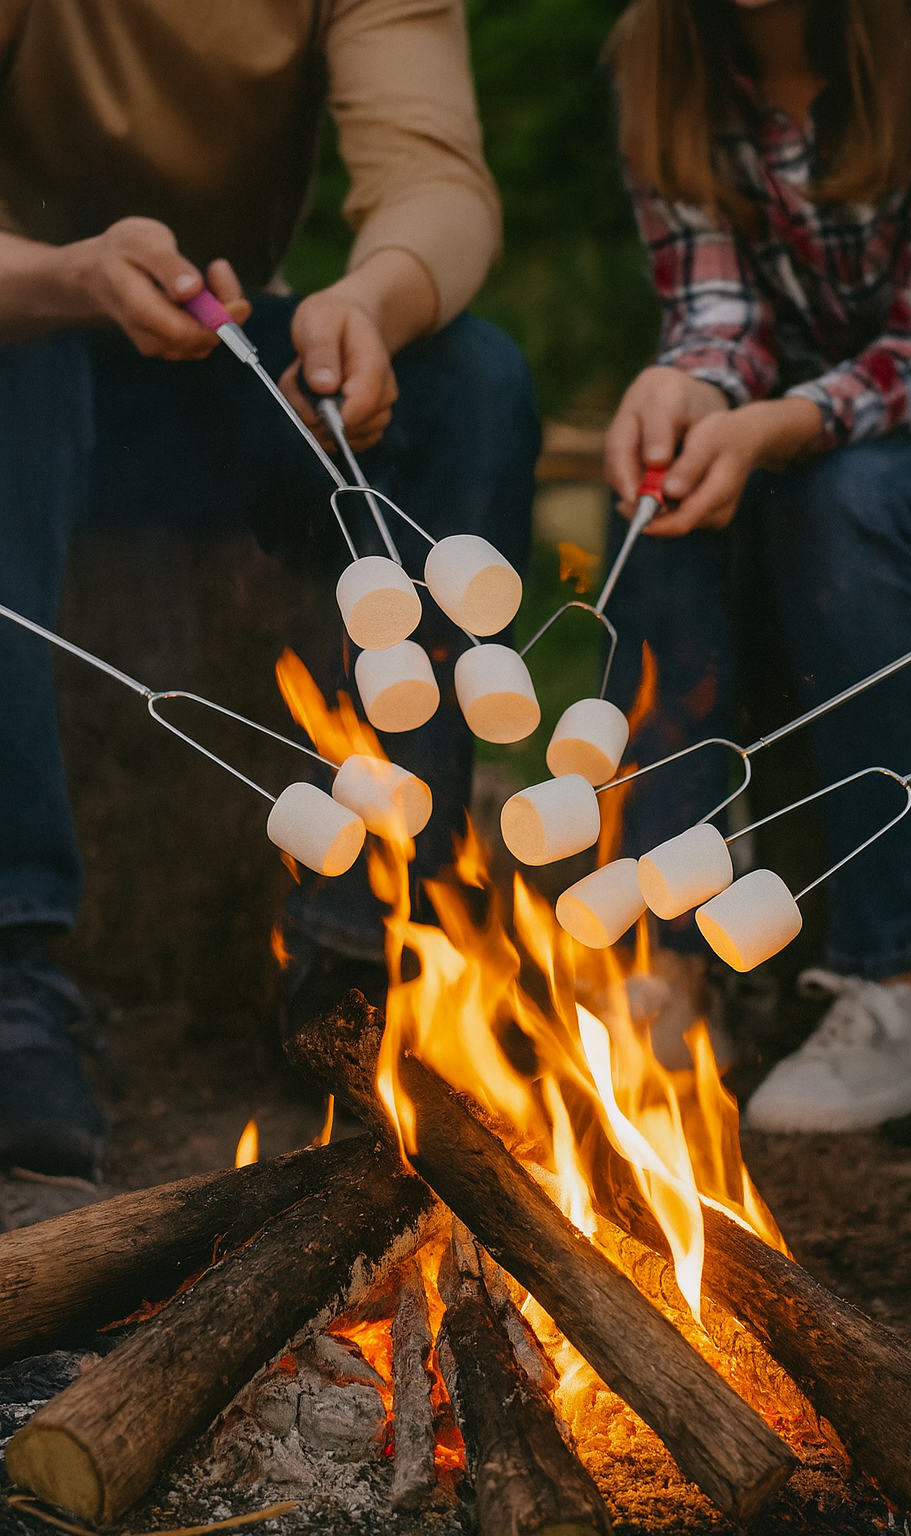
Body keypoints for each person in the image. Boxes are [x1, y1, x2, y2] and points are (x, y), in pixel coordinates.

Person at [0, 0, 538, 1179]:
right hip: (23, 343)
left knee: (476, 380)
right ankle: (11, 973)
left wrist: (372, 305)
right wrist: (68, 276)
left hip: (218, 368)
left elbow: (436, 180)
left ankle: (368, 933)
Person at [600, 0, 911, 1129]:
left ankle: (896, 985)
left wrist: (777, 425)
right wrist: (691, 387)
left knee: (847, 498)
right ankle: (666, 965)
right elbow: (716, 312)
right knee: (660, 489)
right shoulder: (660, 57)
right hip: (813, 434)